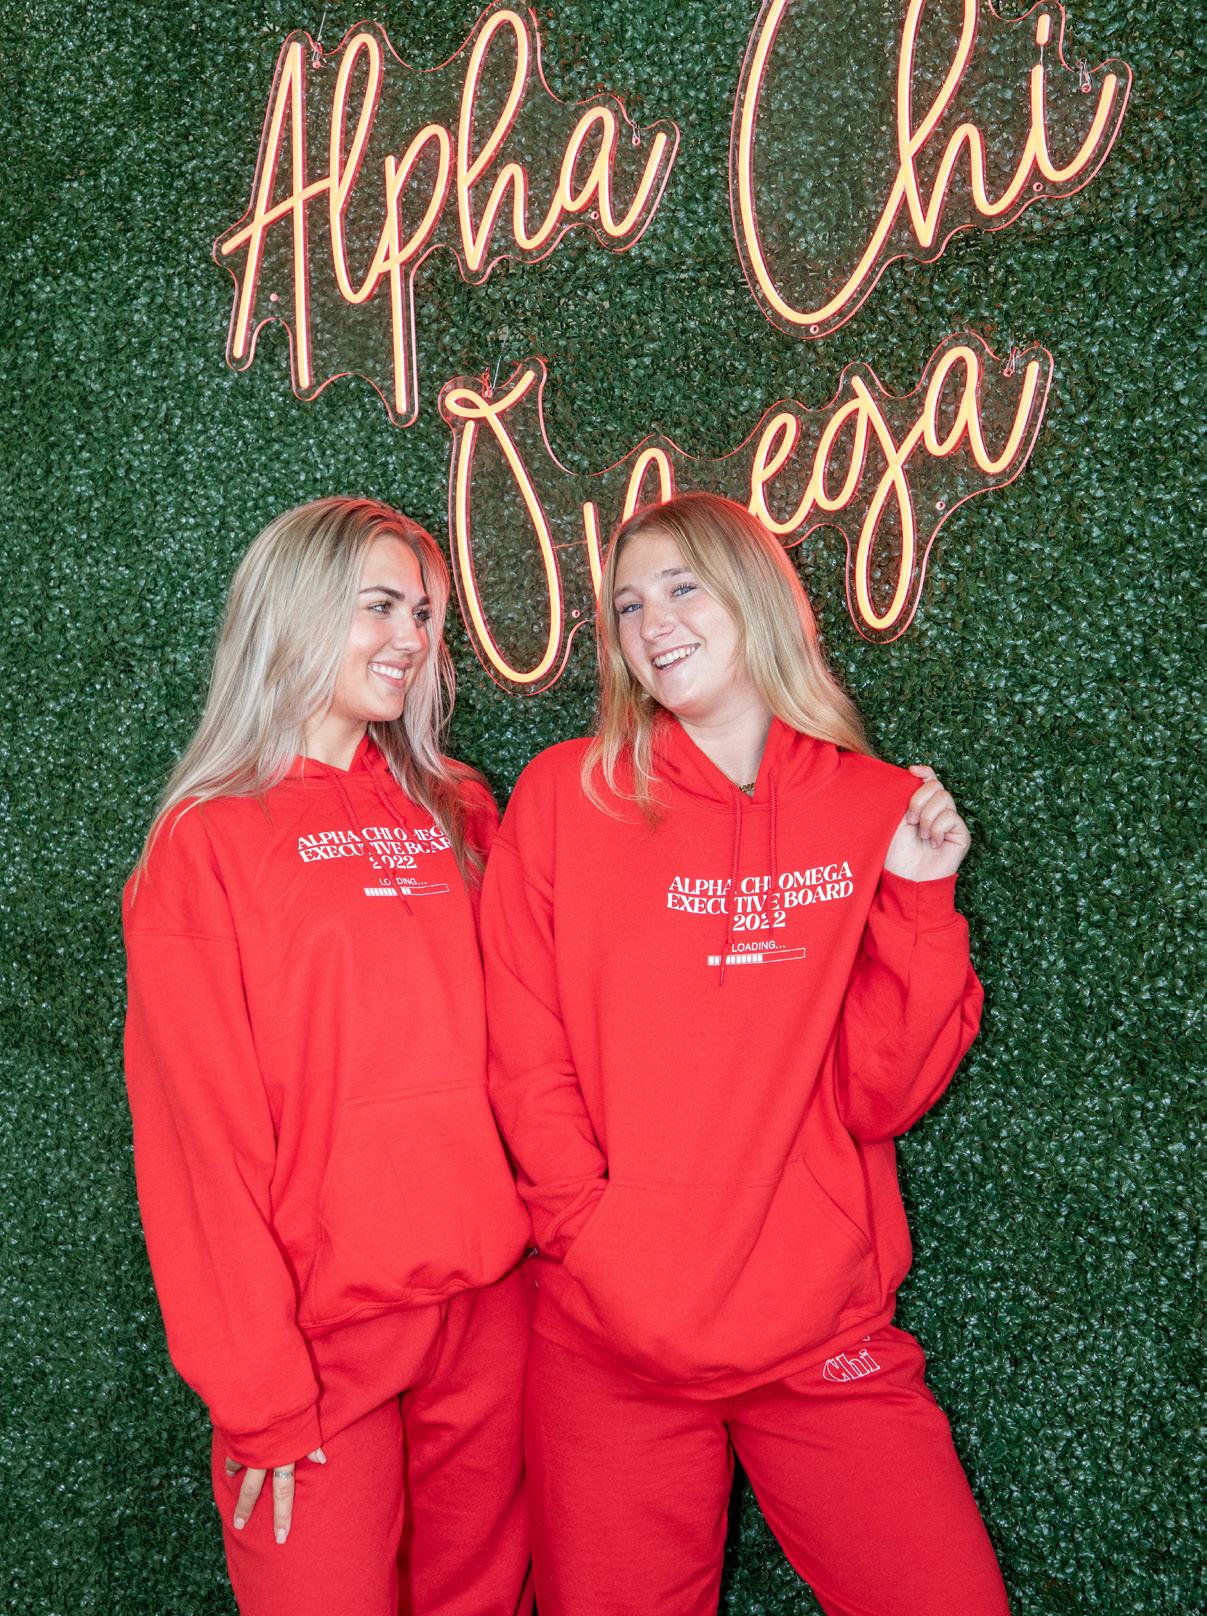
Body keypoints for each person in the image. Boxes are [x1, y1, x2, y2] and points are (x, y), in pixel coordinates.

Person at [481, 492, 1011, 1615]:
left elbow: (879, 1095)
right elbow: (524, 1053)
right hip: (606, 1338)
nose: (652, 623)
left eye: (683, 587)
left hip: (820, 1328)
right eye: (629, 604)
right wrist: (598, 1243)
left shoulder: (873, 805)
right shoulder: (566, 795)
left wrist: (919, 899)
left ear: (758, 596)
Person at [123, 497, 533, 1616]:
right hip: (318, 1342)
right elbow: (197, 1137)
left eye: (425, 614)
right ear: (297, 611)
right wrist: (257, 1389)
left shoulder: (456, 808)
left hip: (489, 1313)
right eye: (380, 607)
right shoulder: (207, 839)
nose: (410, 638)